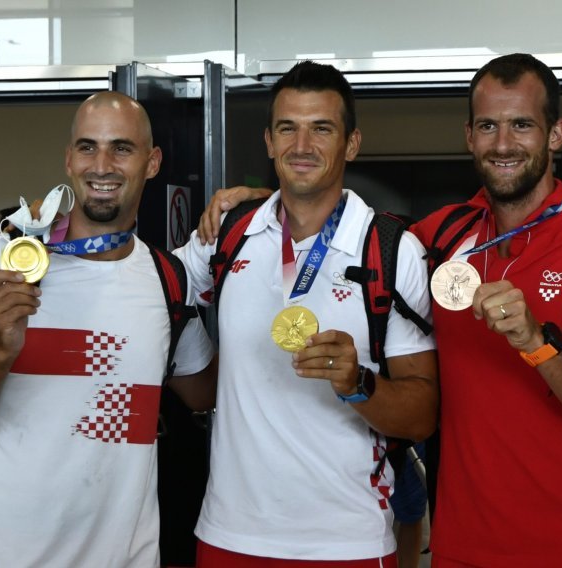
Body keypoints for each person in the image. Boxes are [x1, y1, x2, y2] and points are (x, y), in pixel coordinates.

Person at [198, 54, 562, 568]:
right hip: (460, 545)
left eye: (522, 125)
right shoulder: (442, 237)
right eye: (488, 126)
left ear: (556, 133)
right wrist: (275, 202)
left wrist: (539, 344)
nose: (503, 143)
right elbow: (337, 226)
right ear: (469, 135)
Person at [0, 91, 217, 568]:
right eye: (86, 147)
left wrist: (265, 222)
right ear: (68, 159)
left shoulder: (166, 279)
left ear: (153, 161)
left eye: (122, 147)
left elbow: (205, 392)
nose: (102, 164)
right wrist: (0, 349)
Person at [176, 60, 438, 567]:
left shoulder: (391, 249)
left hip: (348, 539)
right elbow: (154, 289)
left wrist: (358, 382)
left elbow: (423, 414)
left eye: (321, 129)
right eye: (287, 129)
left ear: (352, 144)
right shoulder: (228, 235)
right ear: (269, 142)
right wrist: (53, 236)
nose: (302, 146)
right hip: (229, 533)